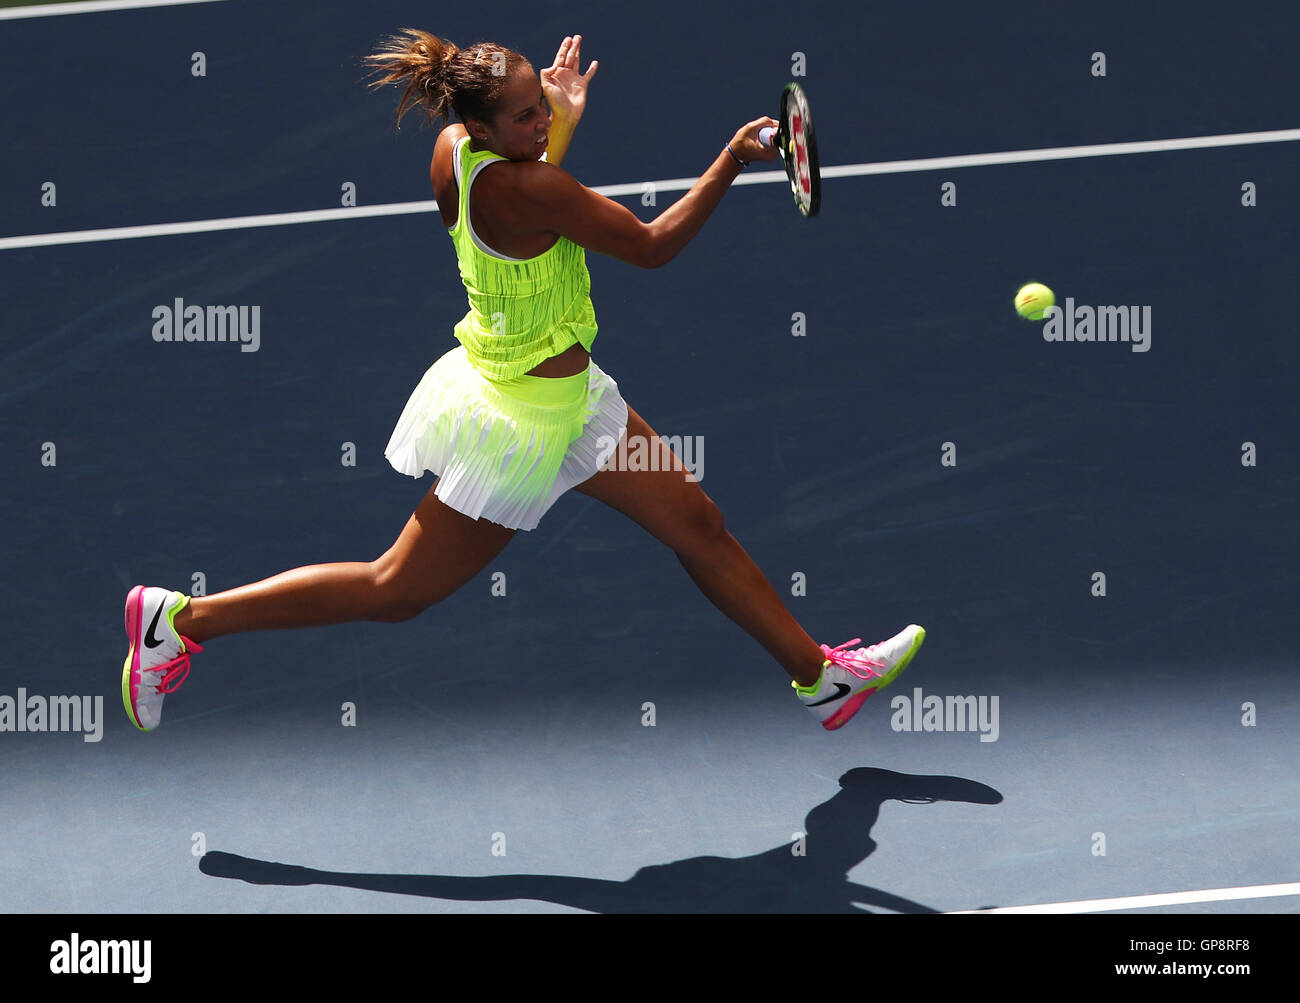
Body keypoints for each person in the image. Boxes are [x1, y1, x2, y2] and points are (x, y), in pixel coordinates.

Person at [120, 31, 924, 736]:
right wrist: (731, 160)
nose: (543, 124)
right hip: (520, 429)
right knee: (395, 589)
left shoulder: (453, 154)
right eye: (527, 118)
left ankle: (820, 678)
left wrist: (557, 123)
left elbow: (523, 220)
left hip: (577, 405)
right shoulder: (533, 187)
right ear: (479, 125)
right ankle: (183, 620)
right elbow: (649, 247)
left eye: (543, 105)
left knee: (699, 524)